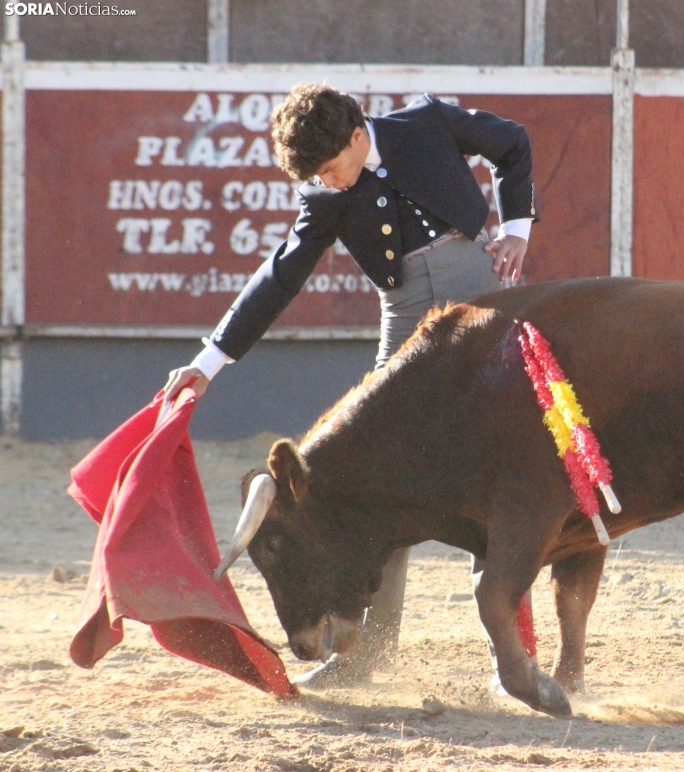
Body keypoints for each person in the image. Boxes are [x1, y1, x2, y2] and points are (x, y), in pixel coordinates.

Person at [164, 82, 538, 689]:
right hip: (406, 317)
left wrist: (516, 226)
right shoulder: (325, 190)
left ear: (359, 136)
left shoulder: (428, 121)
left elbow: (512, 143)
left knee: (503, 470)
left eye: (333, 169)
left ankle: (517, 659)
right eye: (317, 177)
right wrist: (207, 364)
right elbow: (279, 275)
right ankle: (364, 660)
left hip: (483, 296)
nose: (330, 183)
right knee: (379, 484)